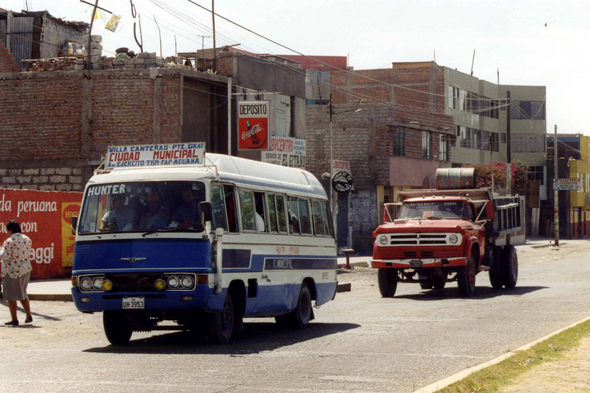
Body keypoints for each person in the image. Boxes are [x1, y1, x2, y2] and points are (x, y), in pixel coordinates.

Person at [0, 220, 33, 326]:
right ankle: (28, 315)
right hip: (25, 270)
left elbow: (4, 257)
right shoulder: (27, 239)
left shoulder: (9, 241)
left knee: (11, 296)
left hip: (12, 272)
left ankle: (14, 319)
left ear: (10, 230)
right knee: (23, 293)